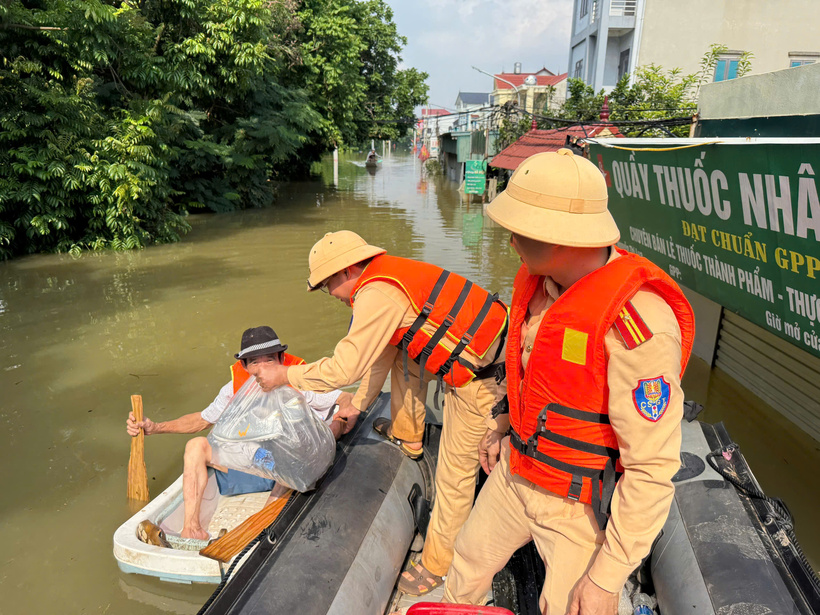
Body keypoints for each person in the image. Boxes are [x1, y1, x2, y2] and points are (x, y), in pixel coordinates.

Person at [443, 149, 696, 615]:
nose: (510, 242)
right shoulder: (538, 282)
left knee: (574, 607)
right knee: (467, 563)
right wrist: (503, 423)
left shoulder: (637, 327)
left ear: (558, 237)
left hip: (576, 503)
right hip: (517, 470)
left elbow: (651, 469)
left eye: (519, 230)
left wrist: (605, 576)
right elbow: (533, 375)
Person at [251, 230, 509, 596]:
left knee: (454, 475)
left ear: (346, 271)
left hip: (482, 380)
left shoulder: (377, 294)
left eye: (327, 286)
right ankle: (408, 433)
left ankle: (438, 564)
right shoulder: (388, 275)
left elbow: (344, 369)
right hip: (478, 357)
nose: (331, 295)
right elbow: (382, 352)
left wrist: (284, 376)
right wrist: (357, 405)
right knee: (404, 352)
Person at [126, 326, 356, 540]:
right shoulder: (234, 390)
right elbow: (202, 419)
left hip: (290, 464)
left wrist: (338, 423)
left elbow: (345, 398)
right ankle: (192, 528)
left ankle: (259, 530)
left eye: (269, 360)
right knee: (196, 446)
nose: (262, 368)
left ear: (281, 359)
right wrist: (155, 428)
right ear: (244, 366)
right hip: (259, 461)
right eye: (254, 362)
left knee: (290, 447)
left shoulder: (299, 381)